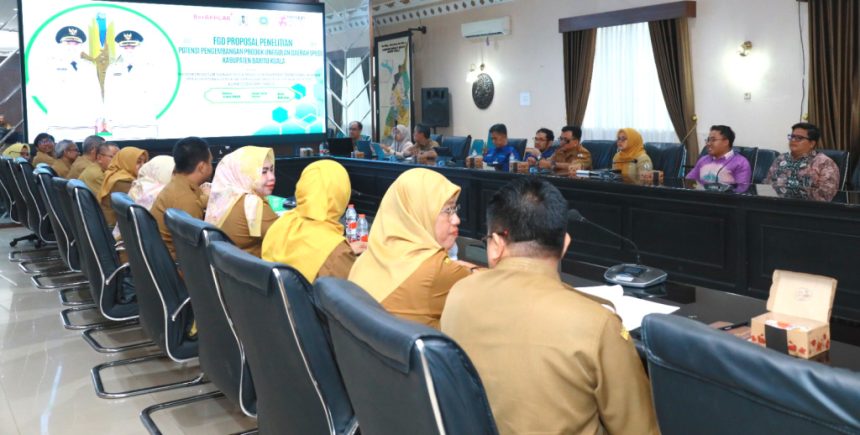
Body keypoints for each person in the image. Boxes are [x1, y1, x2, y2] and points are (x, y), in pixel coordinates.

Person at [441, 178, 659, 435]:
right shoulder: (598, 323)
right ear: (565, 244)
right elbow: (638, 428)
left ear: (497, 244)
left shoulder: (458, 294)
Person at [348, 168, 475, 329]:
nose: (456, 220)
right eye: (448, 210)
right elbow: (494, 284)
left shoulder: (367, 257)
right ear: (418, 212)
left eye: (455, 209)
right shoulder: (435, 270)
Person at [262, 160, 365, 280]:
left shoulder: (279, 225)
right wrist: (345, 252)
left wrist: (344, 248)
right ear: (341, 194)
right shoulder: (335, 252)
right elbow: (355, 288)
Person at [204, 146, 278, 258]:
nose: (272, 177)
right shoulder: (252, 205)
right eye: (263, 172)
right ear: (244, 174)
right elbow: (287, 238)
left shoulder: (224, 200)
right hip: (255, 268)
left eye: (271, 170)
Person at [151, 136, 213, 259]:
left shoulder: (177, 184)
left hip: (163, 258)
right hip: (177, 266)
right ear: (201, 167)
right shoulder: (186, 200)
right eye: (210, 162)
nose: (211, 166)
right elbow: (195, 251)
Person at [764, 122, 840, 201]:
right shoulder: (781, 159)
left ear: (812, 143)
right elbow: (767, 185)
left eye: (799, 138)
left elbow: (825, 195)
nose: (793, 140)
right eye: (792, 136)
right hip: (774, 205)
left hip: (806, 207)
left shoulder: (824, 163)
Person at [111, 155, 174, 240]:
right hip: (148, 242)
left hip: (126, 240)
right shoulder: (163, 193)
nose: (142, 165)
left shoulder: (139, 186)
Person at [686, 125, 752, 190]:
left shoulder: (741, 163)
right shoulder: (703, 160)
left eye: (713, 140)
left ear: (726, 142)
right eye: (708, 140)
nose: (708, 143)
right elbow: (688, 182)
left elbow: (741, 190)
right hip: (699, 196)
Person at [97, 146, 148, 227]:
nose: (143, 166)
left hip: (109, 224)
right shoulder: (123, 181)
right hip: (114, 228)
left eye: (144, 162)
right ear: (126, 162)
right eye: (138, 162)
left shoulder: (114, 174)